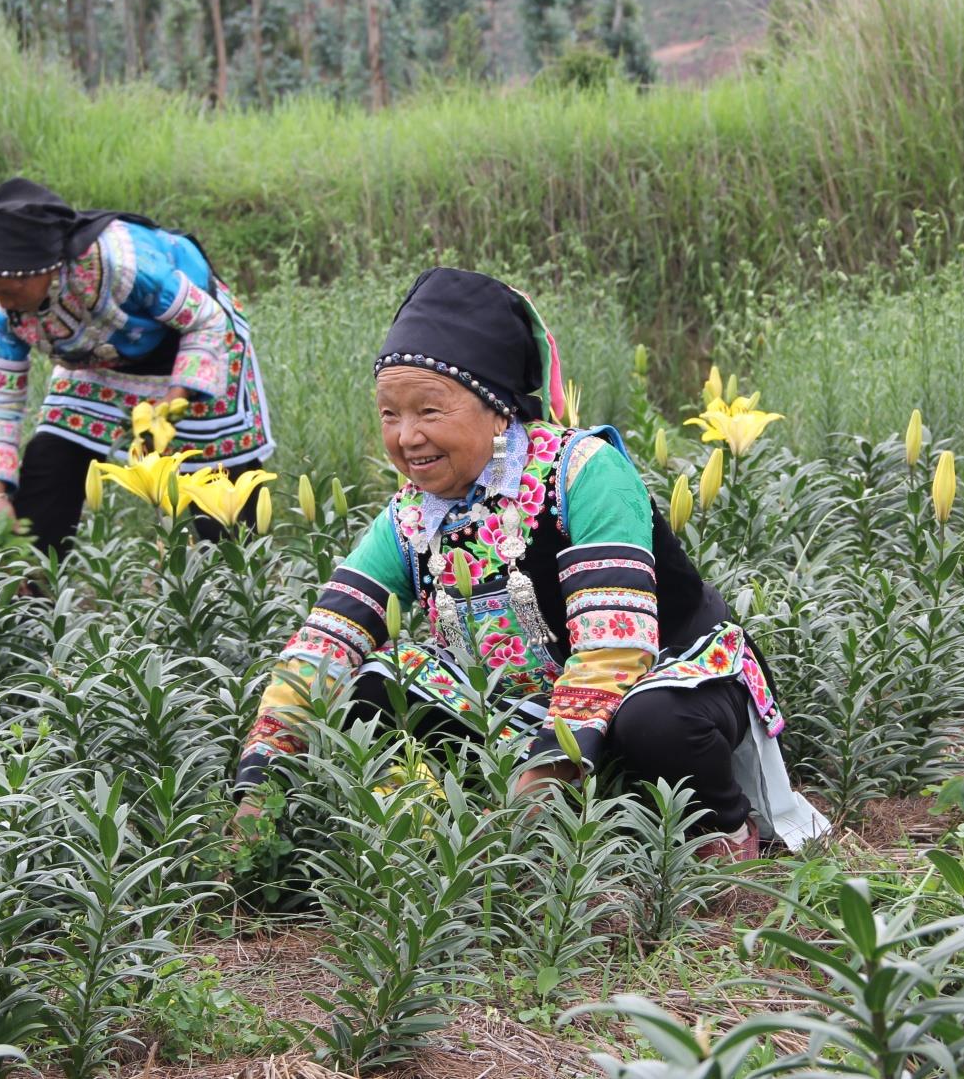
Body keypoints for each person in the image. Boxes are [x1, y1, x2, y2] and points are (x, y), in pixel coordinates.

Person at [233, 267, 826, 858]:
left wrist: (545, 773)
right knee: (373, 686)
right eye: (390, 414)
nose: (406, 437)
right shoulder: (411, 516)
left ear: (498, 409)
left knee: (653, 722)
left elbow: (614, 649)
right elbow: (324, 642)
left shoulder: (584, 472)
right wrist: (260, 778)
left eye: (429, 411)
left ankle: (721, 830)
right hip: (528, 707)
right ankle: (443, 831)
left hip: (662, 675)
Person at [0, 177, 274, 553]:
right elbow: (0, 399)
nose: (1, 302)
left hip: (194, 341)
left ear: (49, 268)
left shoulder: (124, 267)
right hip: (99, 360)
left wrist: (172, 403)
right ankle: (32, 578)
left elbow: (206, 321)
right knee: (53, 456)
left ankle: (239, 576)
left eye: (9, 292)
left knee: (217, 490)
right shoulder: (7, 308)